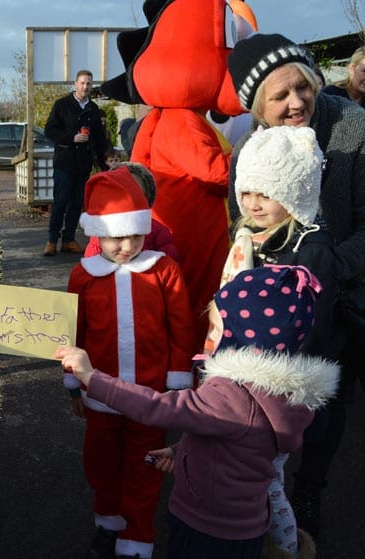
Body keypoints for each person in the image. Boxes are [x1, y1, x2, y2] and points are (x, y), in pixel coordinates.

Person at [57, 264, 338, 559]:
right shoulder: (277, 394)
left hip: (206, 527)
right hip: (244, 528)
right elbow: (237, 444)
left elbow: (158, 407)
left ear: (246, 338)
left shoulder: (231, 394)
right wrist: (183, 452)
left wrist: (91, 377)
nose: (207, 337)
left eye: (216, 328)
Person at [227, 32, 365, 539]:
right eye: (279, 95)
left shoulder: (353, 127)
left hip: (345, 290)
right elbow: (239, 223)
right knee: (274, 400)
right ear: (257, 107)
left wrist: (324, 268)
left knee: (326, 401)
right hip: (280, 299)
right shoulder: (249, 149)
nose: (296, 102)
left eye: (301, 87)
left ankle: (311, 488)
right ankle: (267, 490)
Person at [62, 166, 195, 559]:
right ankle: (109, 521)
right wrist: (71, 384)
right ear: (98, 233)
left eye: (135, 235)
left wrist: (177, 382)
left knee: (145, 465)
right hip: (99, 393)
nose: (126, 245)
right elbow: (72, 335)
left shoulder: (163, 270)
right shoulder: (82, 276)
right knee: (101, 463)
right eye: (116, 236)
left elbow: (181, 327)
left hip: (150, 395)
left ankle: (137, 537)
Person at [223, 125, 338, 557]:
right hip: (242, 376)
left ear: (295, 193)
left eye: (265, 194)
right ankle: (257, 541)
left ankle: (286, 549)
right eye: (246, 190)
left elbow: (313, 327)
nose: (251, 203)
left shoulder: (311, 248)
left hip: (282, 386)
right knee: (250, 477)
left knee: (268, 481)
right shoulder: (247, 237)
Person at [42, 69, 108, 256]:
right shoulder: (62, 105)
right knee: (60, 202)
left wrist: (105, 165)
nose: (85, 87)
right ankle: (52, 240)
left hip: (83, 164)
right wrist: (71, 137)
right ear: (75, 84)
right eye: (82, 83)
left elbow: (99, 139)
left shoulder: (93, 109)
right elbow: (49, 131)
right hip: (64, 162)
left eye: (88, 84)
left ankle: (69, 239)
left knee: (76, 203)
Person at [83, 161, 179, 263]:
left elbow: (169, 266)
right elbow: (92, 265)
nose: (128, 247)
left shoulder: (159, 232)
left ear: (147, 197)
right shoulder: (102, 231)